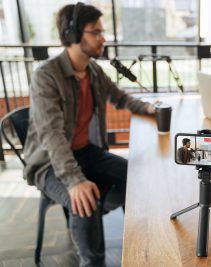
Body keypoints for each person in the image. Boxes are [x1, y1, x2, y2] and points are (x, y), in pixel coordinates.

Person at [23, 3, 158, 266]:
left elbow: (119, 98)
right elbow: (52, 136)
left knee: (137, 178)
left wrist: (149, 108)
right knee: (85, 200)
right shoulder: (46, 76)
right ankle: (92, 262)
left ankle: (136, 241)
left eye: (102, 31)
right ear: (73, 34)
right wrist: (75, 181)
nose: (103, 38)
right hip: (49, 163)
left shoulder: (93, 71)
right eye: (95, 32)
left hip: (86, 151)